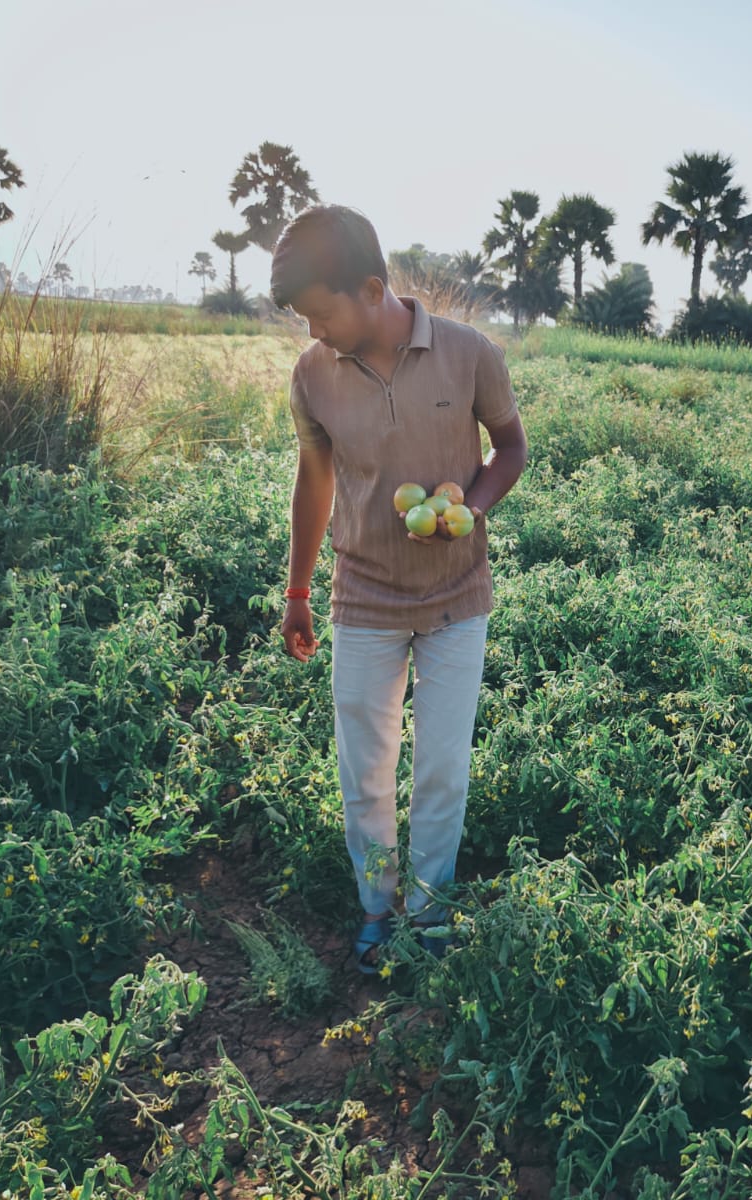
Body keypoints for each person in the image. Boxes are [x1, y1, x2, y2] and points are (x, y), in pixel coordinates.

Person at [270, 206, 527, 973]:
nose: (314, 332)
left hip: (456, 597)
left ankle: (430, 914)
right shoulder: (313, 374)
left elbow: (510, 448)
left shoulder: (469, 354)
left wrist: (470, 510)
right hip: (364, 599)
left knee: (441, 769)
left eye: (320, 314)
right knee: (365, 770)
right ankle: (378, 911)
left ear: (372, 289)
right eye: (303, 319)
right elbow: (314, 481)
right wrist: (297, 593)